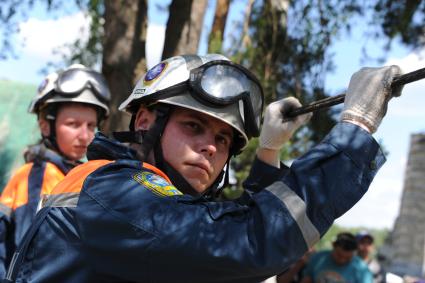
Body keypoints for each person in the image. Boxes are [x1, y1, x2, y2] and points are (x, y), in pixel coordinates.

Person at [5, 54, 401, 283]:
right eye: (193, 126)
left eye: (224, 139)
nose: (210, 146)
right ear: (144, 122)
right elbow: (242, 243)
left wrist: (268, 153)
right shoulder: (111, 189)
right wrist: (356, 127)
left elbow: (216, 238)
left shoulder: (144, 202)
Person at [0, 64, 110, 278]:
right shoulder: (37, 176)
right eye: (73, 124)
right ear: (45, 126)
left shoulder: (69, 174)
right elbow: (32, 262)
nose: (85, 135)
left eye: (90, 125)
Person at [300, 232, 373, 283]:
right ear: (333, 246)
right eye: (339, 255)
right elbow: (307, 279)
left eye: (347, 258)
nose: (342, 260)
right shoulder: (318, 258)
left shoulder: (362, 269)